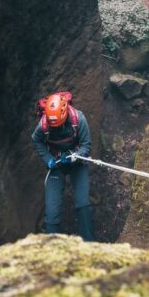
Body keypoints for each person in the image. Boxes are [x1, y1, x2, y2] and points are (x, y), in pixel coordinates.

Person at [31, 92, 94, 241]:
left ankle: (90, 245)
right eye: (55, 127)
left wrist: (74, 157)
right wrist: (48, 159)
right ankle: (50, 250)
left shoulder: (78, 119)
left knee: (82, 203)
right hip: (56, 164)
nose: (57, 129)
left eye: (59, 125)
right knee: (51, 214)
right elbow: (36, 140)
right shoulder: (44, 125)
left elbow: (86, 146)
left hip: (76, 162)